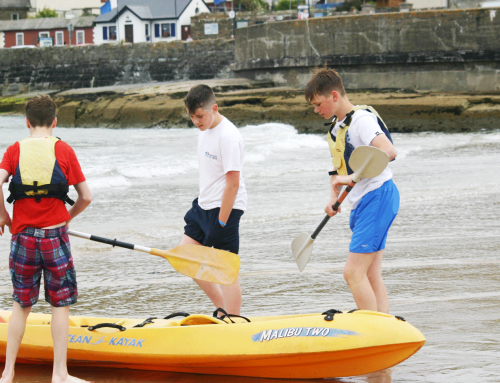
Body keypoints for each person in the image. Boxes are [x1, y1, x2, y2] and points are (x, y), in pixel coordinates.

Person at [0, 96, 92, 383]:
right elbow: (86, 196)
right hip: (54, 237)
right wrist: (67, 218)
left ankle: (8, 373)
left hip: (23, 238)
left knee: (21, 305)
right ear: (55, 121)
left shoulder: (14, 150)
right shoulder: (63, 149)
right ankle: (59, 374)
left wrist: (3, 214)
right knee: (59, 304)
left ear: (27, 122)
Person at [305, 67, 399, 314]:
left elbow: (388, 151)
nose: (316, 110)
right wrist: (333, 198)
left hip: (378, 196)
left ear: (334, 96)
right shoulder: (337, 127)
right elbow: (338, 171)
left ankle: (372, 331)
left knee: (353, 273)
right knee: (369, 273)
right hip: (366, 201)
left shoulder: (361, 121)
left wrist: (350, 178)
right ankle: (384, 327)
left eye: (318, 103)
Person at [182, 85, 247, 315]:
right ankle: (221, 307)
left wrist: (221, 221)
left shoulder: (229, 137)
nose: (196, 121)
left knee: (226, 270)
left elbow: (233, 183)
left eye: (199, 116)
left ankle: (234, 321)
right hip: (203, 205)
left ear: (214, 108)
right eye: (191, 117)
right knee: (185, 258)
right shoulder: (204, 130)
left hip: (225, 208)